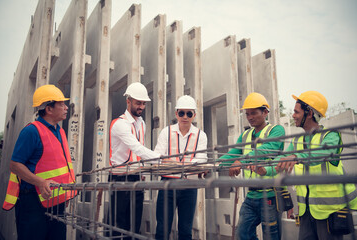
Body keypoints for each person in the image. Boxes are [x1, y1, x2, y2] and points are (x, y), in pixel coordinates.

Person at [275, 91, 357, 240]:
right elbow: (283, 157)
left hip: (329, 213)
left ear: (309, 113)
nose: (293, 115)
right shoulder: (297, 141)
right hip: (306, 212)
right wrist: (265, 166)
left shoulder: (330, 135)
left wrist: (296, 156)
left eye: (296, 111)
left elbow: (323, 154)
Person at [3, 85, 76, 240]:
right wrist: (40, 182)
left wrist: (66, 194)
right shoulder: (31, 131)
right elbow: (15, 165)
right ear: (49, 109)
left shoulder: (60, 131)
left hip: (56, 202)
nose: (65, 107)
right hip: (33, 203)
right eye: (61, 104)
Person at [219, 92, 285, 240]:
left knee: (271, 236)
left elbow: (265, 150)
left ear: (265, 112)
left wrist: (241, 161)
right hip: (251, 195)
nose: (250, 117)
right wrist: (212, 165)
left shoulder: (276, 130)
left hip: (270, 195)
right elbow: (232, 154)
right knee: (243, 233)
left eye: (254, 113)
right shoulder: (245, 135)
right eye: (247, 114)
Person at [108, 82, 160, 239]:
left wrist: (142, 169)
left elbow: (140, 151)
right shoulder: (120, 124)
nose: (142, 107)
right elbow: (137, 148)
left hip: (136, 178)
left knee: (135, 225)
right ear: (128, 101)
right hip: (120, 179)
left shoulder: (141, 123)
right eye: (138, 103)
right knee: (119, 226)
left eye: (144, 103)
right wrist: (162, 160)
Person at [154, 95, 207, 240]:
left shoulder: (200, 135)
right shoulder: (166, 132)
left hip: (189, 186)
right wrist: (191, 164)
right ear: (176, 113)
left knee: (185, 230)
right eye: (182, 113)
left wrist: (172, 163)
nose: (185, 116)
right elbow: (158, 156)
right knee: (162, 229)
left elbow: (202, 159)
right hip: (167, 185)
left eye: (189, 113)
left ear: (194, 115)